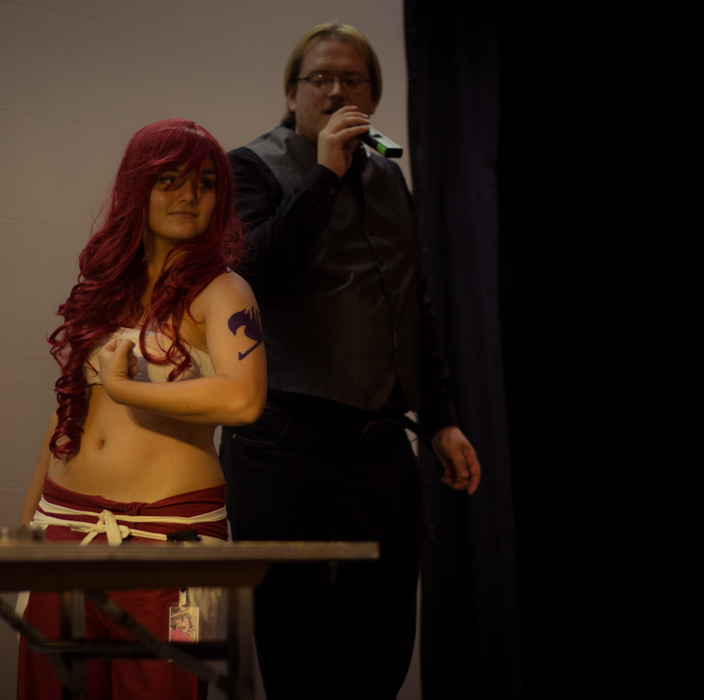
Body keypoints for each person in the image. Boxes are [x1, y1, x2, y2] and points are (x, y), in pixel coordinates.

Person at [220, 22, 482, 699]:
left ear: (372, 96)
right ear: (292, 93)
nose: (336, 91)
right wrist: (325, 176)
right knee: (304, 660)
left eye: (352, 79)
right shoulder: (247, 167)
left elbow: (414, 305)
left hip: (380, 452)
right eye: (320, 79)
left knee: (382, 653)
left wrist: (441, 419)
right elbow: (258, 277)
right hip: (287, 448)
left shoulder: (391, 177)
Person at [17, 118, 267, 700]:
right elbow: (67, 410)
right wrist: (26, 533)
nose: (189, 195)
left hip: (173, 542)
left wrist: (126, 390)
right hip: (65, 526)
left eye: (205, 183)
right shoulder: (108, 285)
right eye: (169, 179)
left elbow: (244, 398)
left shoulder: (224, 291)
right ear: (138, 187)